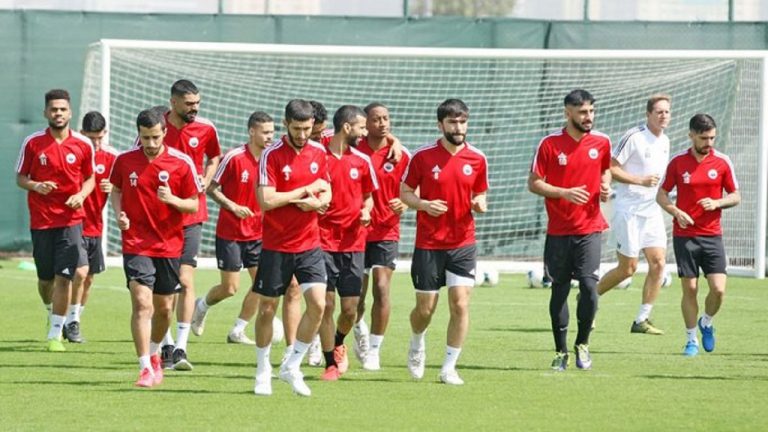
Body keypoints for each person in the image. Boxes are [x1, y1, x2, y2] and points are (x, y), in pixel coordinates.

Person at [109, 108, 201, 387]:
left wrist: (173, 199)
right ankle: (144, 368)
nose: (150, 143)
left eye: (155, 137)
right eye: (145, 137)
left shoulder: (181, 163)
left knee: (163, 310)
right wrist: (119, 214)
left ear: (164, 133)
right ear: (138, 133)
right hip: (136, 243)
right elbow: (116, 190)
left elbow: (194, 204)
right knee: (142, 303)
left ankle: (154, 354)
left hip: (169, 245)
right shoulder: (125, 160)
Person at [401, 98, 488, 385]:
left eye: (463, 121)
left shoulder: (477, 158)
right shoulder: (422, 156)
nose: (458, 127)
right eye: (452, 122)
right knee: (425, 309)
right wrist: (424, 205)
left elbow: (480, 192)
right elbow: (404, 192)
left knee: (460, 305)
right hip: (429, 244)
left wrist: (480, 202)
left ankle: (449, 367)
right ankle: (417, 341)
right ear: (441, 125)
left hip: (463, 243)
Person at [528, 89, 611, 371]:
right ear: (568, 113)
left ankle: (582, 343)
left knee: (589, 287)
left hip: (590, 228)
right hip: (559, 231)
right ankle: (560, 351)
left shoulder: (602, 142)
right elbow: (534, 182)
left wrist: (605, 185)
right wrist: (564, 192)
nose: (589, 117)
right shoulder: (550, 144)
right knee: (559, 290)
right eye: (582, 112)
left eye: (591, 111)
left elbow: (605, 169)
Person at [252, 99, 332, 397]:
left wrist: (319, 201)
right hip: (276, 245)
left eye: (307, 129)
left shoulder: (319, 152)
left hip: (310, 244)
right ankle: (263, 370)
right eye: (297, 128)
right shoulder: (271, 155)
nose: (302, 134)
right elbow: (266, 200)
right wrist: (302, 192)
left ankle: (292, 365)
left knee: (319, 305)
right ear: (286, 124)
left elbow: (326, 189)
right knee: (267, 309)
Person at [15, 89, 95, 352]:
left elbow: (90, 178)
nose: (58, 113)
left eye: (62, 109)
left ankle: (55, 333)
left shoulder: (83, 144)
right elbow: (21, 178)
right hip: (42, 221)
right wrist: (36, 186)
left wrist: (81, 195)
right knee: (46, 280)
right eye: (53, 109)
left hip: (71, 221)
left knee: (65, 277)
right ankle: (50, 311)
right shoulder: (33, 143)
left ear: (70, 113)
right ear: (46, 113)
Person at [656, 114, 740, 357]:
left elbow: (736, 196)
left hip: (712, 235)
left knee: (719, 290)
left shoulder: (722, 162)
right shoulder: (677, 162)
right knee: (690, 289)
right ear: (691, 135)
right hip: (685, 236)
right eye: (704, 138)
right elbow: (661, 195)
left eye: (712, 138)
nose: (709, 143)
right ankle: (691, 340)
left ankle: (707, 322)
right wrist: (676, 211)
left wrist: (717, 203)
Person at [190, 112, 275, 344]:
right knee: (230, 288)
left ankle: (238, 330)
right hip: (231, 234)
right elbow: (211, 188)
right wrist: (233, 206)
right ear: (252, 132)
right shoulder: (233, 157)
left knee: (262, 285)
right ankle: (202, 305)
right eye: (265, 132)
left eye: (272, 132)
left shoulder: (272, 159)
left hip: (260, 233)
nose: (270, 137)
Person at [596, 95, 671, 335]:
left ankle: (642, 319)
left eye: (667, 112)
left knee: (659, 263)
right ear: (648, 114)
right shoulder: (634, 136)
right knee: (627, 269)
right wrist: (640, 180)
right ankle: (589, 299)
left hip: (652, 211)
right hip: (629, 211)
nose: (664, 116)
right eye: (659, 112)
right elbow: (611, 166)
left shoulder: (665, 141)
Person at [160, 79, 222, 370]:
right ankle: (165, 343)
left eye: (197, 103)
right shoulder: (156, 128)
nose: (194, 108)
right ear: (173, 102)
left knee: (185, 280)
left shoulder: (206, 128)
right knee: (165, 286)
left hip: (192, 215)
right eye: (188, 104)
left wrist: (207, 179)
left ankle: (181, 348)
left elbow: (214, 156)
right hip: (161, 218)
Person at [317, 105, 377, 381]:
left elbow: (369, 197)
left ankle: (339, 341)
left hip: (353, 243)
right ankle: (330, 362)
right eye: (362, 127)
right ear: (346, 127)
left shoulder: (362, 161)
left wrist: (366, 210)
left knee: (350, 309)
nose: (365, 132)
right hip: (322, 241)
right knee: (326, 305)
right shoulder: (319, 157)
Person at [353, 102, 410, 370]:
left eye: (386, 118)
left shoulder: (401, 154)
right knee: (355, 297)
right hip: (356, 231)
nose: (383, 123)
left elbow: (415, 188)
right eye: (376, 119)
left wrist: (406, 202)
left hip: (387, 230)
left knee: (382, 287)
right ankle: (357, 327)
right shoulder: (353, 149)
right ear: (365, 123)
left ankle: (374, 350)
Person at [63, 111, 119, 344]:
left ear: (105, 133)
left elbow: (122, 188)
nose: (95, 143)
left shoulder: (112, 157)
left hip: (96, 226)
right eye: (91, 138)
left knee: (89, 278)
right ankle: (69, 321)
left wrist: (112, 187)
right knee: (78, 273)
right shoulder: (73, 153)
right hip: (73, 224)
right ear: (82, 133)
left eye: (99, 138)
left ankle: (71, 319)